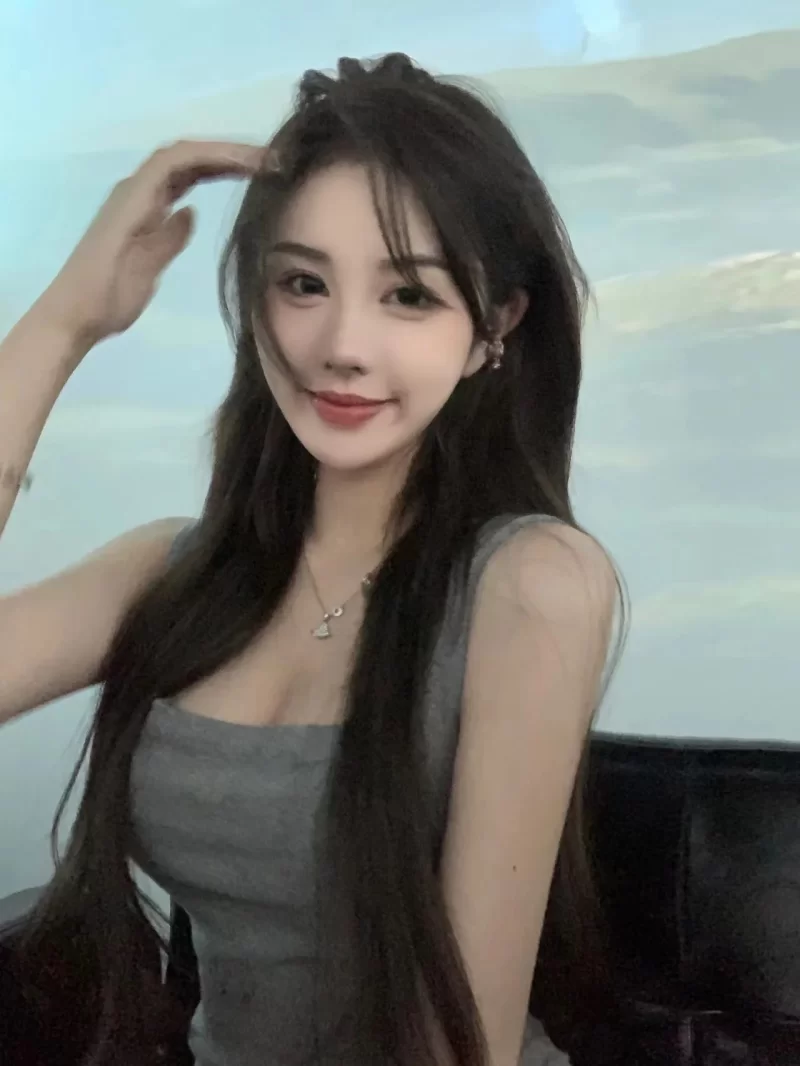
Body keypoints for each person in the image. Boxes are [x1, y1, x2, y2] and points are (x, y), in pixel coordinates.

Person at [0, 54, 622, 1066]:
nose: (341, 344)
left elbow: (460, 1045)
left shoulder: (532, 584)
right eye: (303, 283)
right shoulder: (171, 573)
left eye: (407, 294)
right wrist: (67, 319)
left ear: (493, 329)